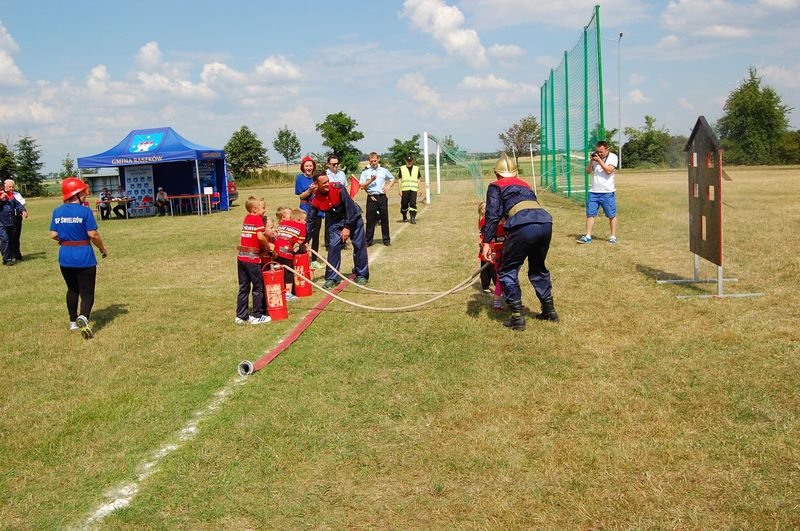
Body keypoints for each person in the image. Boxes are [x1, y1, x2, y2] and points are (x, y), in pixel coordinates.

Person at [481, 153, 558, 330]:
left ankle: (517, 318)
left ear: (497, 173)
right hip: (545, 222)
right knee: (538, 269)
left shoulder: (495, 186)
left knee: (508, 270)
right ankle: (549, 311)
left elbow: (492, 216)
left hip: (523, 226)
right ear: (515, 173)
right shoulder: (524, 184)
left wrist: (487, 242)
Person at [49, 177, 108, 338]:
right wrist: (102, 248)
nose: (86, 196)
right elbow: (93, 234)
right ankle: (84, 316)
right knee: (87, 292)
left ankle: (73, 321)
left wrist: (65, 240)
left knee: (72, 289)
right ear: (77, 193)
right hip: (84, 255)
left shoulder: (57, 211)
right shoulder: (85, 211)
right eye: (84, 193)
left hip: (65, 256)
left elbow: (53, 234)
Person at [306, 172, 369, 289]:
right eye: (323, 183)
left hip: (353, 217)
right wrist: (305, 239)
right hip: (335, 222)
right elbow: (310, 220)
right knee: (333, 247)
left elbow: (350, 208)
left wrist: (347, 227)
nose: (327, 184)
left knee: (359, 246)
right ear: (316, 184)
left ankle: (362, 275)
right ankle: (331, 278)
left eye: (327, 181)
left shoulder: (338, 188)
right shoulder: (314, 199)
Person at [235, 196, 271, 325]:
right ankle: (257, 315)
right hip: (252, 260)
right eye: (263, 208)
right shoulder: (257, 219)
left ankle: (241, 316)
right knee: (257, 287)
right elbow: (260, 237)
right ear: (255, 209)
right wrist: (268, 246)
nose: (265, 210)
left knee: (243, 287)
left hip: (241, 258)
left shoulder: (247, 218)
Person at [578, 140, 619, 244]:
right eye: (597, 151)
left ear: (607, 149)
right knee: (590, 214)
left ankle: (613, 236)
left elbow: (608, 170)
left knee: (611, 215)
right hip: (594, 191)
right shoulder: (595, 158)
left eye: (601, 152)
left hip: (607, 192)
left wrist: (599, 161)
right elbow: (588, 171)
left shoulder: (613, 157)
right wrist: (592, 160)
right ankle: (588, 236)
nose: (599, 154)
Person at [359, 152, 395, 246]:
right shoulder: (365, 172)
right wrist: (370, 180)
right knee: (370, 220)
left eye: (375, 160)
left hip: (382, 197)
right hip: (371, 197)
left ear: (378, 160)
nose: (374, 163)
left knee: (384, 219)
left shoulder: (383, 170)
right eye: (372, 161)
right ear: (369, 161)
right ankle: (368, 241)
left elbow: (392, 179)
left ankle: (386, 240)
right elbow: (361, 185)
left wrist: (387, 187)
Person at [274, 207, 307, 302]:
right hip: (286, 252)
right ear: (298, 220)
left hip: (275, 250)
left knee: (279, 270)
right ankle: (288, 294)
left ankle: (279, 290)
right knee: (289, 272)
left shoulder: (283, 223)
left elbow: (276, 234)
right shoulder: (302, 227)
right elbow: (300, 242)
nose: (305, 222)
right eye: (304, 220)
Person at [477, 201, 506, 311]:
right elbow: (486, 237)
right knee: (487, 270)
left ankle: (497, 288)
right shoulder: (484, 222)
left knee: (496, 272)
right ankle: (487, 286)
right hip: (489, 252)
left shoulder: (500, 220)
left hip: (498, 252)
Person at [295, 156, 323, 266]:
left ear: (313, 166)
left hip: (318, 209)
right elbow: (301, 196)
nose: (309, 168)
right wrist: (310, 190)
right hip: (305, 209)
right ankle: (302, 257)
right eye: (306, 166)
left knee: (316, 235)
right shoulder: (299, 179)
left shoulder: (317, 177)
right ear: (303, 167)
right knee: (305, 235)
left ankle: (314, 260)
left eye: (310, 165)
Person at [1, 183, 27, 266]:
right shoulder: (2, 196)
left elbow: (17, 204)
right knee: (5, 239)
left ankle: (12, 256)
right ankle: (7, 260)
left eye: (1, 185)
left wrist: (23, 210)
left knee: (12, 238)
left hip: (10, 221)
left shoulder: (9, 195)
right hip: (0, 222)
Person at [398, 154, 421, 224]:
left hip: (414, 189)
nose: (409, 162)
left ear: (413, 161)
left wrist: (420, 189)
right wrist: (399, 190)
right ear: (406, 161)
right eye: (408, 161)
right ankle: (404, 215)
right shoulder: (402, 168)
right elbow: (399, 179)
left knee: (413, 203)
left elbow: (418, 179)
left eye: (410, 161)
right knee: (404, 204)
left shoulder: (416, 168)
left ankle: (412, 217)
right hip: (405, 189)